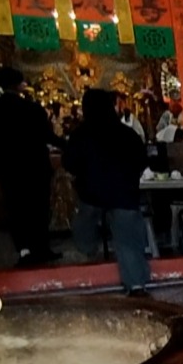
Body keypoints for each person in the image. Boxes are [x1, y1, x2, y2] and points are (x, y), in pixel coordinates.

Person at [65, 89, 151, 297]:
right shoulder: (127, 134)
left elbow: (69, 163)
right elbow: (141, 161)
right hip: (124, 196)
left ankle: (86, 270)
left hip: (91, 196)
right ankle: (136, 285)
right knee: (128, 238)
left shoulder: (80, 135)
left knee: (83, 228)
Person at [0, 67, 63, 267]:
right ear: (20, 84)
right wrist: (67, 144)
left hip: (9, 166)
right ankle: (42, 247)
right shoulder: (32, 108)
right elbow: (47, 135)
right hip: (35, 165)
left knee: (16, 208)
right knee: (38, 207)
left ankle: (24, 250)